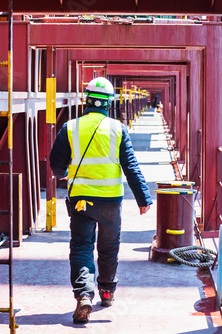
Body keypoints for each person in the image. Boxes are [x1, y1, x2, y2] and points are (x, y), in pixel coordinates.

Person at [50, 77, 153, 324]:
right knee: (108, 247)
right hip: (110, 201)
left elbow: (55, 164)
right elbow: (131, 167)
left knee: (82, 247)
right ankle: (106, 291)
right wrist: (143, 198)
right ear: (109, 103)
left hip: (81, 201)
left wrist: (64, 172)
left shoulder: (71, 127)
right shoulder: (118, 129)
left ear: (86, 100)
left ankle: (84, 295)